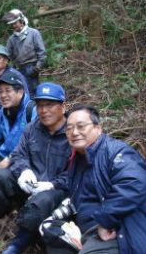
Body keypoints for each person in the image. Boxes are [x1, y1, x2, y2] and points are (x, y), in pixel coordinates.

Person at [0, 82, 72, 254]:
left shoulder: (73, 132)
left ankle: (19, 243)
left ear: (63, 106)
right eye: (40, 105)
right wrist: (24, 171)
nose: (44, 110)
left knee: (43, 200)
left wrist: (52, 184)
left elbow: (78, 173)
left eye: (50, 105)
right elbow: (18, 154)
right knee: (1, 176)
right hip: (30, 184)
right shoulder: (33, 127)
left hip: (54, 192)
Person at [49, 105, 146, 254]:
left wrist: (104, 220)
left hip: (117, 230)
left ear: (98, 128)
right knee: (50, 232)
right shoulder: (77, 159)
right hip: (87, 227)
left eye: (81, 126)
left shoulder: (115, 151)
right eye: (69, 128)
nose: (74, 132)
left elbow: (134, 183)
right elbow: (81, 196)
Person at [3, 9, 46, 98]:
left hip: (32, 67)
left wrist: (37, 67)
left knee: (34, 92)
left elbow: (41, 52)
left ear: (21, 21)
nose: (14, 26)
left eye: (15, 23)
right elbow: (7, 55)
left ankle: (35, 110)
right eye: (12, 24)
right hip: (19, 69)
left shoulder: (33, 33)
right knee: (22, 93)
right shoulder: (12, 39)